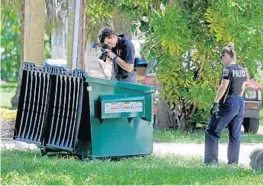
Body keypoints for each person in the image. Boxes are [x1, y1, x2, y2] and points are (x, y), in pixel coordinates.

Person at [204, 42, 247, 165]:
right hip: (240, 102)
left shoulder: (227, 69)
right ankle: (233, 163)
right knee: (235, 134)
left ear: (227, 55)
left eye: (221, 56)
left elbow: (223, 86)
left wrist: (216, 102)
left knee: (212, 131)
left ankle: (211, 161)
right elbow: (243, 86)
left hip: (229, 103)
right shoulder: (242, 70)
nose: (221, 59)